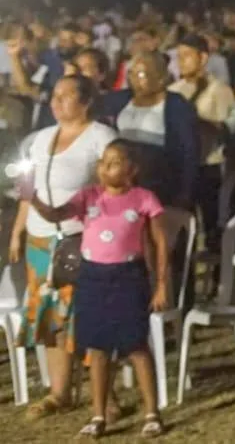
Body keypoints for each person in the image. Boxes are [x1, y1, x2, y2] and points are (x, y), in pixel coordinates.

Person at [29, 139, 169, 439]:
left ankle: (152, 413)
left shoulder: (143, 198)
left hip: (129, 276)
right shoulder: (88, 196)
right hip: (92, 277)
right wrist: (33, 199)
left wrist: (160, 285)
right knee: (97, 347)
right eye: (103, 162)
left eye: (114, 163)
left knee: (136, 346)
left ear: (132, 169)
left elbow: (160, 243)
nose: (105, 169)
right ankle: (98, 414)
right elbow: (56, 214)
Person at [8, 74, 118, 421]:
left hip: (80, 238)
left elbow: (114, 186)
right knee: (50, 316)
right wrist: (18, 231)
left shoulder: (101, 137)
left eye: (66, 96)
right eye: (54, 95)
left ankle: (106, 394)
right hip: (41, 240)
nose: (56, 102)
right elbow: (28, 191)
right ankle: (60, 392)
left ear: (86, 101)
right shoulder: (41, 139)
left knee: (86, 315)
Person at [98, 52, 202, 210]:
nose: (133, 79)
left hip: (158, 186)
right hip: (122, 184)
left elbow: (189, 152)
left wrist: (185, 194)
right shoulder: (119, 100)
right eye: (131, 73)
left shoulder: (177, 106)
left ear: (161, 79)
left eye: (141, 74)